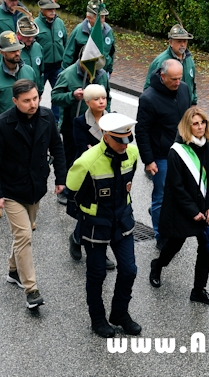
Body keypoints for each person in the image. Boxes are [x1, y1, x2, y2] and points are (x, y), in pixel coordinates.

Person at [0, 79, 66, 310]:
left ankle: (13, 270)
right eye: (26, 101)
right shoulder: (1, 124)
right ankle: (31, 290)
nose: (33, 104)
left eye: (35, 98)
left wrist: (61, 178)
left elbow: (57, 147)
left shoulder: (47, 116)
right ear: (15, 101)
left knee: (23, 235)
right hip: (10, 190)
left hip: (35, 188)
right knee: (24, 237)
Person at [66, 112, 142, 338]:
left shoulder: (133, 153)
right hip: (96, 224)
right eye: (120, 140)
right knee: (97, 274)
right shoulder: (87, 162)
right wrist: (87, 216)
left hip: (123, 220)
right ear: (106, 137)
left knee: (129, 270)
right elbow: (73, 191)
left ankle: (120, 313)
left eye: (130, 139)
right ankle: (97, 318)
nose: (126, 145)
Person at [149, 107, 209, 306]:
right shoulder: (176, 152)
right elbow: (176, 186)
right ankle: (158, 265)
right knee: (175, 244)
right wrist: (193, 211)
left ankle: (198, 290)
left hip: (205, 206)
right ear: (187, 127)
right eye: (195, 124)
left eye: (202, 122)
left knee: (206, 247)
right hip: (182, 207)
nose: (199, 127)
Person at [0, 30, 41, 219]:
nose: (17, 53)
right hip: (3, 133)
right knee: (3, 172)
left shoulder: (29, 71)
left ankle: (25, 210)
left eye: (18, 49)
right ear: (2, 52)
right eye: (12, 50)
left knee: (26, 168)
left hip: (27, 129)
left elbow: (35, 101)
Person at [136, 59, 191, 248]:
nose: (177, 83)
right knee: (161, 196)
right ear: (163, 76)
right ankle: (161, 234)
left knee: (179, 192)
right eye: (173, 79)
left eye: (180, 78)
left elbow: (188, 117)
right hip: (161, 156)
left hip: (182, 152)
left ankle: (165, 219)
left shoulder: (184, 89)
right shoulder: (148, 98)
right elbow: (142, 132)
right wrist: (148, 160)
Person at [51, 48, 111, 203]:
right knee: (70, 157)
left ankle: (86, 188)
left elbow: (108, 97)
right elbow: (55, 97)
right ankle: (64, 189)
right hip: (72, 123)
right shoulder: (68, 75)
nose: (94, 69)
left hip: (96, 125)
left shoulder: (102, 75)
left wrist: (107, 116)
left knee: (91, 156)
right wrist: (71, 96)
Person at [67, 84, 115, 270]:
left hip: (111, 173)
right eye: (96, 99)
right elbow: (82, 150)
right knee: (91, 213)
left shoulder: (112, 119)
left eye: (103, 98)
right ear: (87, 102)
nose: (101, 101)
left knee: (107, 214)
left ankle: (82, 241)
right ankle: (81, 240)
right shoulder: (80, 122)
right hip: (90, 176)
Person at [143, 24, 197, 104]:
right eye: (179, 41)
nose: (182, 44)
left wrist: (193, 103)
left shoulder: (189, 60)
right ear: (171, 42)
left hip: (186, 110)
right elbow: (148, 89)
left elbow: (192, 84)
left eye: (185, 41)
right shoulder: (161, 62)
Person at [34, 0, 67, 123]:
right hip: (41, 68)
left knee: (58, 95)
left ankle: (56, 122)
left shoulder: (60, 23)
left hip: (57, 67)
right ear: (42, 9)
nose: (53, 11)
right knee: (36, 95)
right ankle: (35, 121)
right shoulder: (35, 24)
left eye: (54, 8)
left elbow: (65, 42)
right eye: (49, 9)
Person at [62, 0, 115, 76]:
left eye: (104, 17)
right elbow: (68, 55)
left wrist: (109, 71)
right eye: (99, 17)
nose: (103, 20)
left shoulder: (108, 31)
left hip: (101, 75)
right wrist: (66, 75)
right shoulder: (79, 30)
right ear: (89, 17)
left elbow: (111, 53)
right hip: (82, 75)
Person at [16, 17, 45, 93]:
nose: (30, 39)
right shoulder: (13, 51)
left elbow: (41, 72)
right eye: (27, 36)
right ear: (18, 34)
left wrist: (40, 91)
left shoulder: (38, 47)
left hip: (35, 92)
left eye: (32, 35)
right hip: (20, 93)